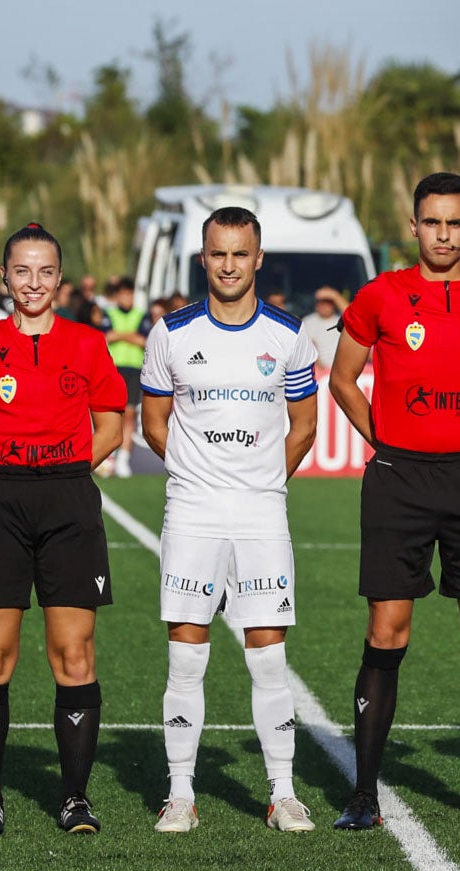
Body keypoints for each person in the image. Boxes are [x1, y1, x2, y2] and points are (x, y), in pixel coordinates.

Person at [326, 171, 460, 831]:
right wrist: (382, 437)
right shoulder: (380, 296)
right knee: (387, 629)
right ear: (413, 226)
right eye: (431, 222)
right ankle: (363, 795)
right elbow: (341, 378)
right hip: (399, 482)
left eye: (454, 222)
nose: (443, 234)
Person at [0, 222, 126, 837]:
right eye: (22, 271)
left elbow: (110, 424)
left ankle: (75, 798)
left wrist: (67, 474)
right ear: (4, 277)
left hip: (68, 503)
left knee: (73, 654)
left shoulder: (87, 344)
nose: (34, 283)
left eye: (46, 271)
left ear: (61, 279)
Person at [141, 206, 320, 835]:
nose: (228, 265)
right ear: (203, 257)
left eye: (240, 254)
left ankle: (283, 793)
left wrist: (264, 482)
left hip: (261, 513)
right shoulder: (171, 333)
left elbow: (304, 426)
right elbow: (153, 422)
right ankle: (181, 794)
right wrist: (197, 476)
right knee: (185, 658)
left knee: (268, 658)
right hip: (192, 511)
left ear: (258, 258)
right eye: (218, 254)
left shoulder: (289, 335)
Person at [101, 277, 146, 477]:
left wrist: (120, 335)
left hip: (134, 369)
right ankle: (110, 456)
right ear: (117, 296)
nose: (127, 298)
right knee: (112, 414)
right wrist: (130, 336)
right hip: (114, 368)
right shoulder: (108, 314)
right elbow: (105, 336)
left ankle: (124, 460)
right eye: (123, 294)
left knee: (129, 415)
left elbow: (144, 340)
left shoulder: (140, 315)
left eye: (130, 294)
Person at [299, 285, 345, 371]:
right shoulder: (308, 322)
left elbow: (357, 320)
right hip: (320, 371)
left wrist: (335, 295)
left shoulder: (342, 320)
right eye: (321, 302)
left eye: (328, 302)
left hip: (343, 370)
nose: (323, 306)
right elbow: (308, 350)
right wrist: (322, 370)